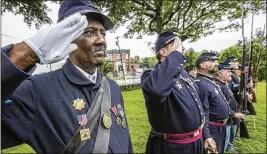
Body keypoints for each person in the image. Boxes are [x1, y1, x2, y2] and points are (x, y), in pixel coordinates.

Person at [1, 0, 133, 153]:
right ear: (66, 39)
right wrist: (28, 52)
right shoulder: (38, 90)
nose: (101, 40)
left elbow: (126, 143)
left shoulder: (112, 87)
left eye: (102, 33)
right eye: (89, 32)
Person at [141, 30, 205, 154]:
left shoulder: (182, 73)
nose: (183, 47)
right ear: (163, 51)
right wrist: (176, 55)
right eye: (178, 44)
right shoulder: (150, 76)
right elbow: (156, 90)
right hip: (173, 147)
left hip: (195, 142)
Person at [194, 52, 230, 154]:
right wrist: (207, 135)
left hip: (219, 127)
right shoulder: (201, 83)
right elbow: (202, 112)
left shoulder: (208, 80)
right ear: (202, 65)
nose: (216, 64)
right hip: (211, 128)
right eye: (212, 61)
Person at [213, 63, 245, 153]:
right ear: (219, 73)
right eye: (228, 71)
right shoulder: (218, 86)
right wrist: (234, 114)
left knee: (225, 141)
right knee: (222, 144)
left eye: (231, 71)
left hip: (229, 118)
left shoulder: (224, 84)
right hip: (224, 120)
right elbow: (220, 106)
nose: (231, 73)